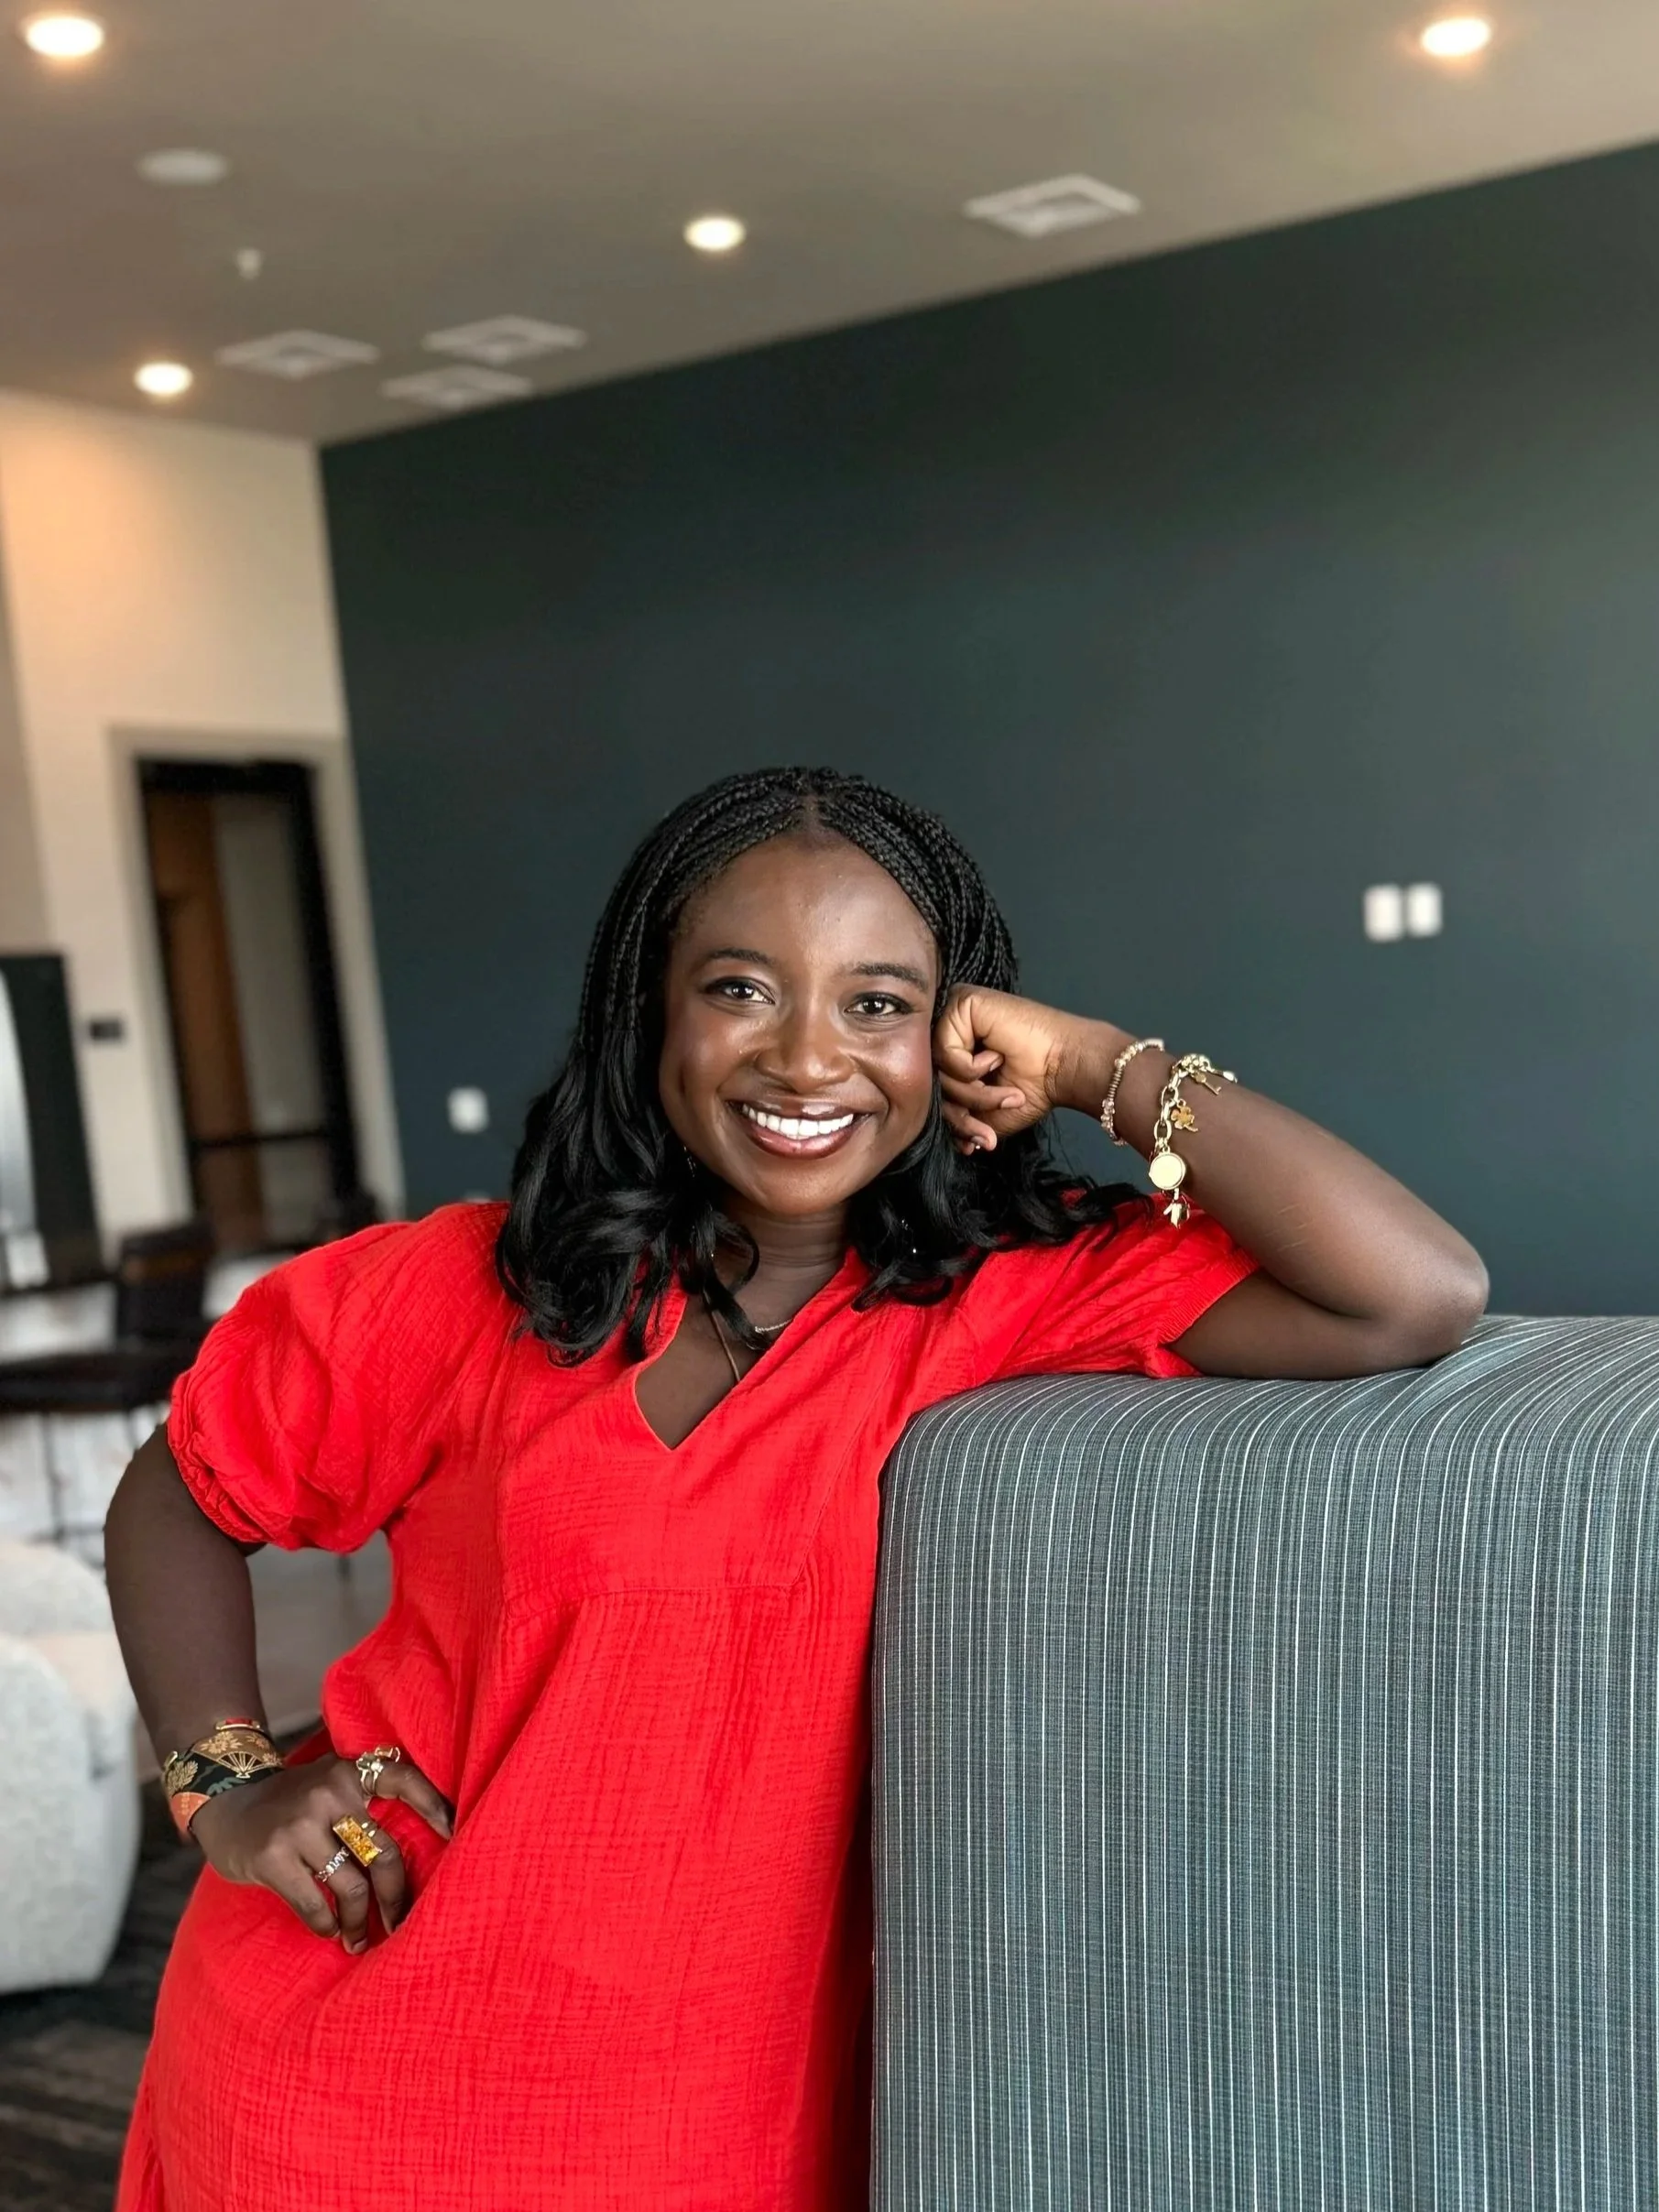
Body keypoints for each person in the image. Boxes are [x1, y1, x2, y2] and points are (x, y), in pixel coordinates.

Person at [106, 767, 1486, 2210]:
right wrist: (224, 1780)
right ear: (652, 1010)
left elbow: (1411, 1292)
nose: (807, 1058)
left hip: (708, 2117)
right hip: (333, 2094)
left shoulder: (996, 1296)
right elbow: (180, 1492)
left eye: (877, 1002)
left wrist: (1089, 1061)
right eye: (742, 989)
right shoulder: (453, 1291)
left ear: (952, 1037)